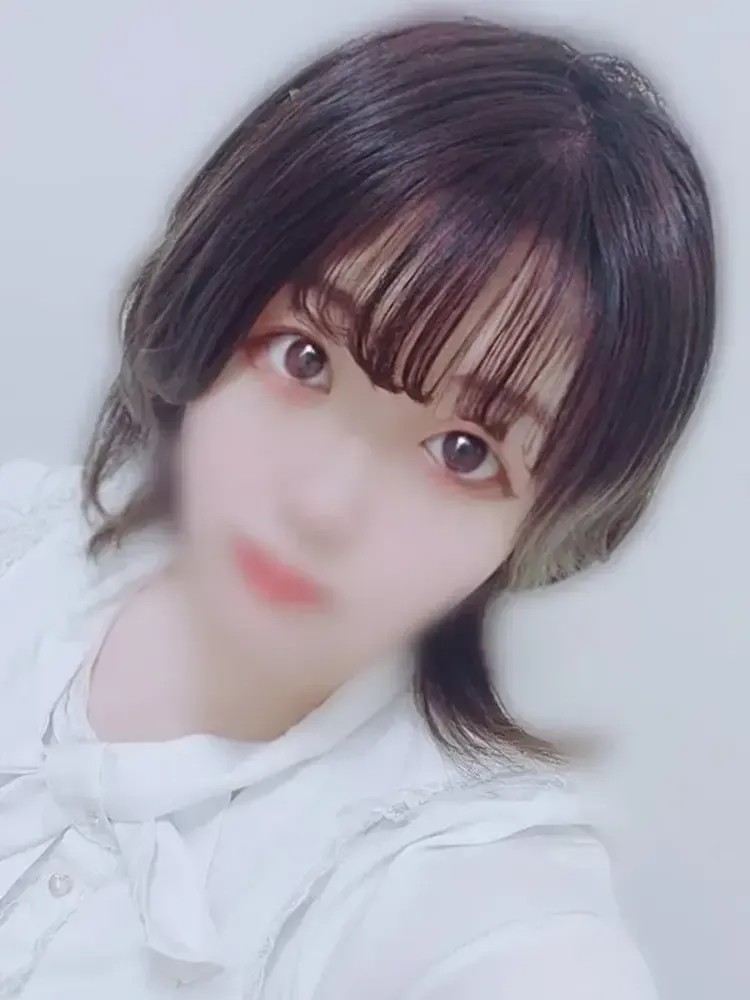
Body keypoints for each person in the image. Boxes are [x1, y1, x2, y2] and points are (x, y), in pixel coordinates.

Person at [0, 16, 714, 1000]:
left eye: (464, 452)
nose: (323, 506)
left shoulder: (455, 887)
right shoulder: (25, 539)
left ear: (550, 520)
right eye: (305, 357)